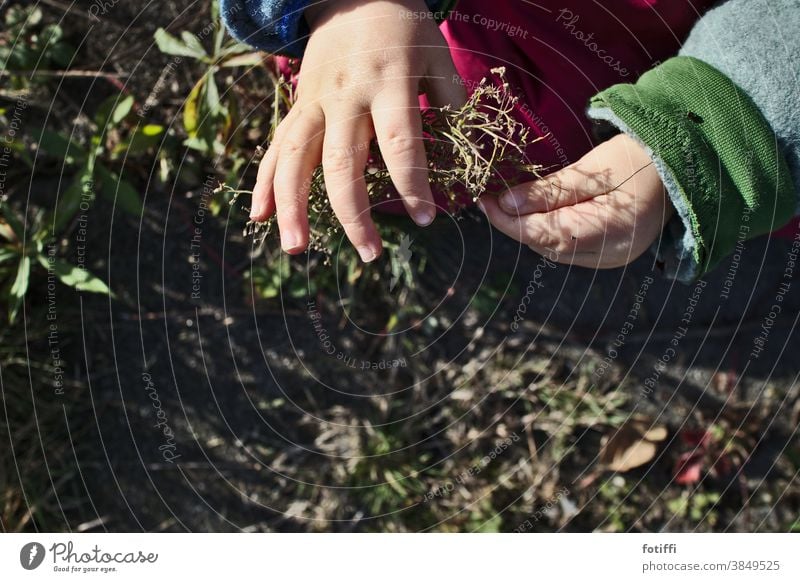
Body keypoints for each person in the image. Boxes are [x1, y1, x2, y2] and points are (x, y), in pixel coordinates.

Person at [221, 0, 800, 282]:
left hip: (724, 67)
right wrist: (347, 7)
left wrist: (690, 143)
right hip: (435, 39)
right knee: (389, 132)